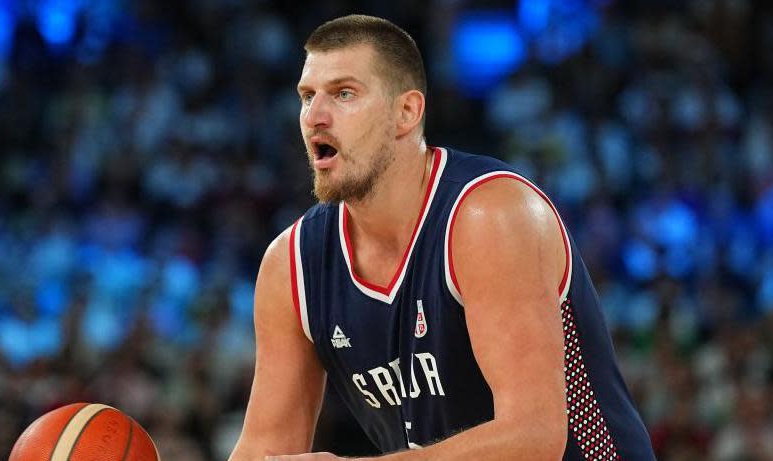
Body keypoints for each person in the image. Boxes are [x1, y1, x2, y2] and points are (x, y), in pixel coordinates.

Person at [229, 14, 656, 461]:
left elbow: (534, 437)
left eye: (344, 94)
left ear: (407, 112)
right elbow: (264, 449)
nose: (315, 116)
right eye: (307, 96)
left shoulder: (490, 215)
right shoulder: (292, 265)